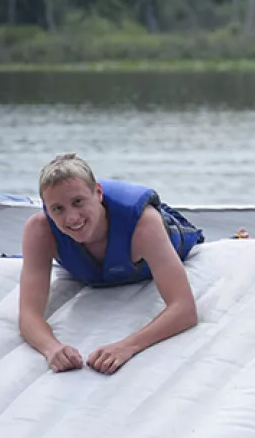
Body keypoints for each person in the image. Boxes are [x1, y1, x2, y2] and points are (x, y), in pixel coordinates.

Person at [18, 153, 203, 374]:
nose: (72, 218)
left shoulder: (144, 225)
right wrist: (52, 349)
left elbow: (185, 309)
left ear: (98, 193)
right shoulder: (40, 231)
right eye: (58, 209)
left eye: (78, 202)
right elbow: (28, 315)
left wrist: (126, 346)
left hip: (168, 236)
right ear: (47, 209)